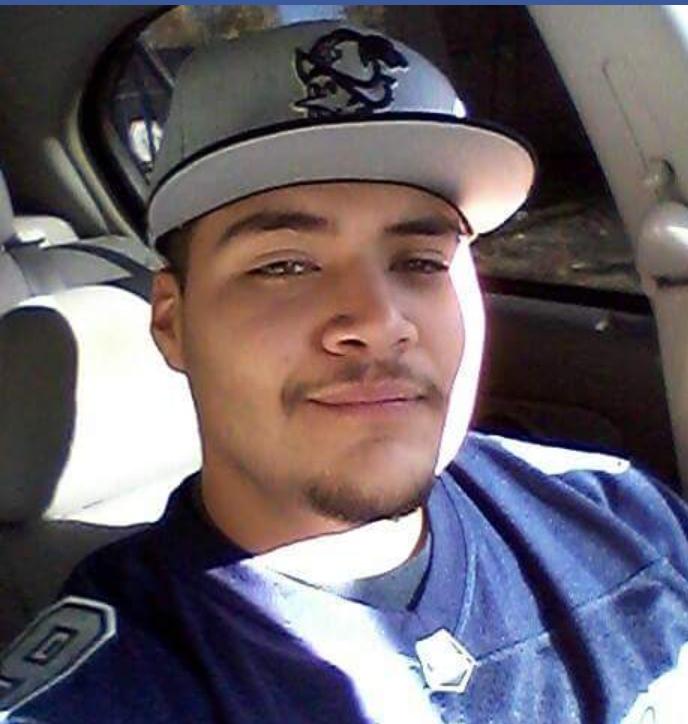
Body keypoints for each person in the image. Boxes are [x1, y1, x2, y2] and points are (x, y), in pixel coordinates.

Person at [2, 20, 688, 724]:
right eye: (284, 266)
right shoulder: (101, 692)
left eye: (420, 261)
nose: (380, 319)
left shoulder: (620, 508)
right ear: (173, 323)